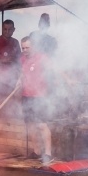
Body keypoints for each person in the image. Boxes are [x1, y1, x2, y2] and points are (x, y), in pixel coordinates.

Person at [19, 36, 54, 166]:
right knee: (30, 125)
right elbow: (23, 73)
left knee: (41, 125)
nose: (25, 50)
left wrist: (67, 79)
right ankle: (36, 151)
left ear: (33, 46)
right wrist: (19, 80)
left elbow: (53, 70)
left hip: (40, 96)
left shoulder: (42, 57)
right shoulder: (22, 58)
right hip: (26, 95)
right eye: (23, 48)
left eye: (27, 47)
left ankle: (48, 154)